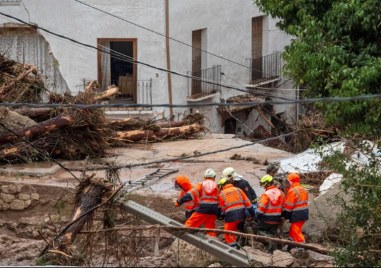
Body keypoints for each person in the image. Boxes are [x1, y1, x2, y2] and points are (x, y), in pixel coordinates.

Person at [177, 169, 219, 237]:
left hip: (204, 208)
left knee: (191, 222)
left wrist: (179, 201)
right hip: (214, 209)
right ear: (214, 177)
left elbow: (191, 194)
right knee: (210, 226)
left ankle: (181, 236)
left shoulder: (201, 185)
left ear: (205, 177)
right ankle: (213, 240)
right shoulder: (217, 186)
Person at [218, 177, 255, 248]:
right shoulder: (238, 190)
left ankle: (233, 248)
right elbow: (248, 204)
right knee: (235, 228)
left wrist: (221, 215)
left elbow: (223, 209)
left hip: (231, 216)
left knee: (227, 233)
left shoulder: (222, 194)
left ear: (222, 185)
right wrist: (253, 215)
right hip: (241, 214)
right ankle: (240, 242)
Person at [283, 173, 309, 244]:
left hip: (297, 214)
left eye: (288, 181)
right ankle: (291, 243)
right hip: (305, 212)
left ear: (291, 181)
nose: (287, 183)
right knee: (293, 230)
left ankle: (302, 245)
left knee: (296, 230)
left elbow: (289, 206)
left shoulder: (292, 191)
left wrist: (285, 216)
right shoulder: (303, 189)